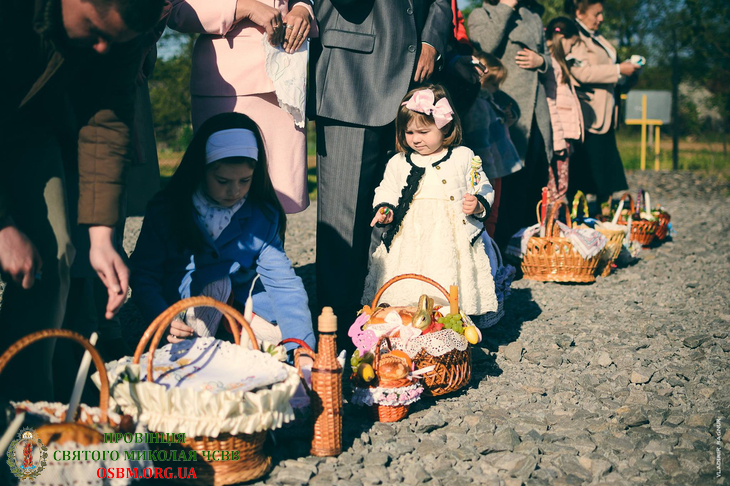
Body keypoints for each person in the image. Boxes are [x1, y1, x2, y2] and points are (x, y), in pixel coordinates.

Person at [0, 0, 166, 402]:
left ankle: (25, 416)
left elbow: (106, 123)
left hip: (30, 129)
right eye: (94, 30)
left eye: (114, 40)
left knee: (52, 256)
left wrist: (102, 237)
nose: (103, 49)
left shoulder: (124, 31)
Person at [310, 0, 452, 348]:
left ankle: (391, 327)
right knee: (344, 219)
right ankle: (335, 339)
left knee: (402, 215)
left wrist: (431, 41)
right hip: (353, 76)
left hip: (416, 81)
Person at [129, 113, 315, 358]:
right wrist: (162, 318)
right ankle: (190, 357)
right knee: (214, 284)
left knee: (283, 341)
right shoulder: (168, 209)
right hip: (184, 308)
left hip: (240, 305)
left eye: (244, 180)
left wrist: (301, 347)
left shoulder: (262, 214)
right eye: (222, 181)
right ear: (201, 170)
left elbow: (282, 282)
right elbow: (144, 274)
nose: (234, 191)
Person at [168, 0, 317, 214]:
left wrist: (303, 9)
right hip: (227, 82)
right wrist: (245, 7)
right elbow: (176, 10)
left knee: (277, 205)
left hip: (286, 81)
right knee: (218, 198)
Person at [362, 86, 497, 319]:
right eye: (409, 132)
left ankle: (446, 322)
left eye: (423, 132)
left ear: (445, 128)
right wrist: (385, 209)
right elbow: (387, 189)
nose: (415, 139)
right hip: (410, 236)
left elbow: (482, 185)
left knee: (445, 275)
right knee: (409, 275)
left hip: (449, 237)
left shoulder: (463, 156)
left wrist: (478, 204)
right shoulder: (398, 161)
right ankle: (407, 320)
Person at [467, 0, 554, 248]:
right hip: (501, 112)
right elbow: (486, 45)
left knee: (533, 180)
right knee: (505, 185)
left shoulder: (532, 16)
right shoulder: (480, 14)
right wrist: (506, 6)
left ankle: (527, 249)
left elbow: (549, 59)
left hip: (536, 111)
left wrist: (541, 61)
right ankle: (502, 250)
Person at [564, 0, 639, 209]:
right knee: (584, 169)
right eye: (596, 14)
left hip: (605, 114)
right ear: (579, 12)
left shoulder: (599, 38)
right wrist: (618, 70)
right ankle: (579, 215)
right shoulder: (574, 37)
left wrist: (627, 76)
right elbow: (581, 72)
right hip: (588, 115)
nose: (601, 19)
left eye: (601, 14)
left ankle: (602, 212)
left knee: (605, 170)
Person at [462, 51, 521, 238]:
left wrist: (506, 119)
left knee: (492, 212)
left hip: (495, 167)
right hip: (490, 169)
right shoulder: (479, 105)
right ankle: (488, 249)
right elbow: (481, 142)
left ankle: (490, 247)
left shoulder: (487, 101)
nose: (496, 89)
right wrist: (488, 173)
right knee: (489, 212)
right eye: (493, 84)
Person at [544, 17, 584, 204]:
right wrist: (559, 142)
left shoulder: (558, 64)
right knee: (557, 187)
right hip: (559, 137)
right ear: (562, 38)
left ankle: (556, 218)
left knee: (560, 186)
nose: (571, 50)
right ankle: (553, 220)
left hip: (563, 136)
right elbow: (551, 103)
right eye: (571, 44)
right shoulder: (553, 65)